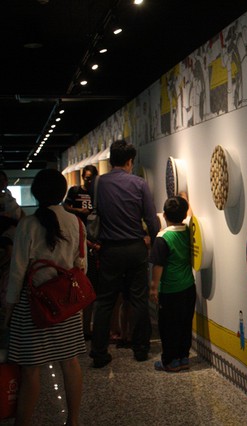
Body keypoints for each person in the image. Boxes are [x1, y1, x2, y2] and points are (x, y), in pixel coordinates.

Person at [3, 169, 87, 426]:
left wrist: (8, 309)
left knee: (31, 369)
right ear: (62, 192)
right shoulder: (76, 222)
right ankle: (73, 421)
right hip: (67, 305)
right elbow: (81, 265)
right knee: (70, 363)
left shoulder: (27, 224)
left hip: (33, 306)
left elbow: (17, 272)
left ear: (36, 193)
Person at [90, 139, 159, 367]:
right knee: (138, 299)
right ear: (130, 161)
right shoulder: (139, 184)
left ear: (111, 160)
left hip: (109, 250)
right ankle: (141, 348)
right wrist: (152, 239)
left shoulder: (99, 183)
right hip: (135, 248)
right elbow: (151, 218)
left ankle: (99, 352)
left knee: (105, 301)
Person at [149, 196, 195, 372]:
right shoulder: (188, 231)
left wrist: (154, 288)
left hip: (170, 290)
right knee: (185, 324)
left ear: (164, 215)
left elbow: (158, 265)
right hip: (189, 287)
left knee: (168, 326)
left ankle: (170, 361)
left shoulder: (163, 237)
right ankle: (184, 358)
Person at [64, 164, 99, 339]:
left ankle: (87, 327)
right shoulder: (75, 191)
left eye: (91, 178)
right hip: (79, 238)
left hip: (95, 240)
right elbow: (66, 206)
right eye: (86, 178)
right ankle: (80, 328)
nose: (88, 181)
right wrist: (79, 210)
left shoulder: (98, 193)